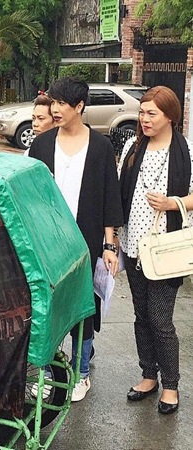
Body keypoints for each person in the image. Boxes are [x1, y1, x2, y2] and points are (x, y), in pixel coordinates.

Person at [28, 77, 123, 401]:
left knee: (84, 308)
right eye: (52, 103)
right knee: (47, 306)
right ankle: (45, 369)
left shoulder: (100, 147)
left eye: (61, 104)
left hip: (84, 240)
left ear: (79, 106)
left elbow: (110, 197)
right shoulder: (41, 145)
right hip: (46, 240)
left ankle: (81, 374)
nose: (55, 109)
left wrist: (110, 246)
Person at [118, 86, 193, 414]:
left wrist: (172, 203)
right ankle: (149, 374)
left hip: (165, 249)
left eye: (152, 113)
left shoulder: (186, 150)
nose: (144, 119)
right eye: (142, 112)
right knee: (141, 316)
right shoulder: (134, 147)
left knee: (160, 319)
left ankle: (171, 385)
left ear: (170, 117)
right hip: (134, 244)